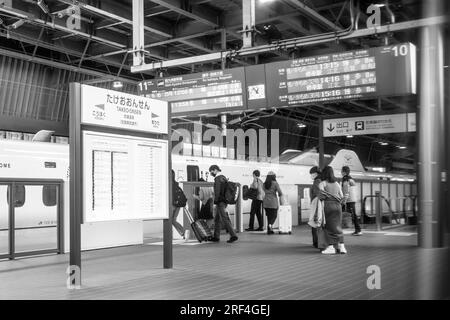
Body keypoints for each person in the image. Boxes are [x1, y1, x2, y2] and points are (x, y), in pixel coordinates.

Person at [319, 166, 347, 255]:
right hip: (338, 206)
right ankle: (342, 247)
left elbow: (321, 196)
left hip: (328, 206)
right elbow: (342, 197)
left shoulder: (322, 183)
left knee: (328, 227)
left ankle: (331, 247)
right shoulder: (337, 184)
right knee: (338, 226)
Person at [209, 165, 238, 243]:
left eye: (211, 171)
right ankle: (216, 236)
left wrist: (216, 201)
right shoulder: (223, 177)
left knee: (224, 218)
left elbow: (217, 191)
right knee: (217, 219)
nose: (211, 173)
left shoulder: (218, 179)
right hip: (224, 200)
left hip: (220, 201)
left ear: (215, 170)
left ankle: (233, 235)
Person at [341, 166, 362, 236]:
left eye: (341, 171)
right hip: (352, 199)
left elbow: (346, 190)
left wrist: (344, 200)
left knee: (353, 215)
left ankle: (358, 230)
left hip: (349, 200)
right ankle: (357, 230)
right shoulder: (351, 179)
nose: (341, 172)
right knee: (353, 215)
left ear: (344, 172)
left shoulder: (345, 179)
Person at [171, 170, 189, 241]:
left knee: (170, 221)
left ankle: (183, 232)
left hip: (172, 205)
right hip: (178, 205)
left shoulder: (168, 183)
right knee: (173, 220)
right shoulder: (176, 183)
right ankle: (183, 233)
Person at [309, 166, 322, 248]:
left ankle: (316, 242)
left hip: (316, 205)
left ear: (316, 173)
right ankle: (317, 242)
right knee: (317, 223)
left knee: (314, 223)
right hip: (318, 204)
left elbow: (318, 194)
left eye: (312, 173)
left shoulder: (317, 181)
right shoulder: (321, 180)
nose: (311, 175)